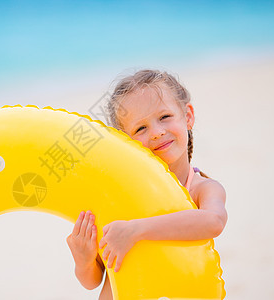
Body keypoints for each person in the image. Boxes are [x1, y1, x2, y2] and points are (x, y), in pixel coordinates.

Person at [66, 70, 228, 299]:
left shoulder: (201, 188)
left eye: (164, 117)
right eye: (140, 128)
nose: (156, 133)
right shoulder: (120, 196)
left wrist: (136, 231)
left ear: (188, 116)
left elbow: (213, 221)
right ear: (125, 142)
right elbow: (94, 280)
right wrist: (83, 262)